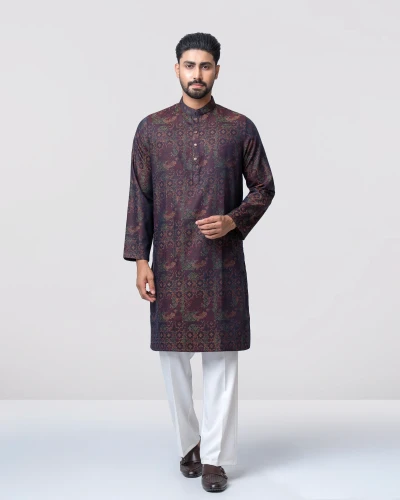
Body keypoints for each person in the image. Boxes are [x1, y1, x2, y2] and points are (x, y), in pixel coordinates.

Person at [123, 32, 275, 492]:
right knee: (172, 358)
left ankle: (215, 459)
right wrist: (140, 259)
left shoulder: (238, 127)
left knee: (221, 359)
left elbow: (264, 187)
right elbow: (140, 196)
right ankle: (188, 443)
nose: (197, 74)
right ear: (176, 69)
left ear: (217, 71)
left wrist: (233, 221)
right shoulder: (151, 129)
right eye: (189, 65)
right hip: (168, 261)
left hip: (220, 262)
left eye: (205, 66)